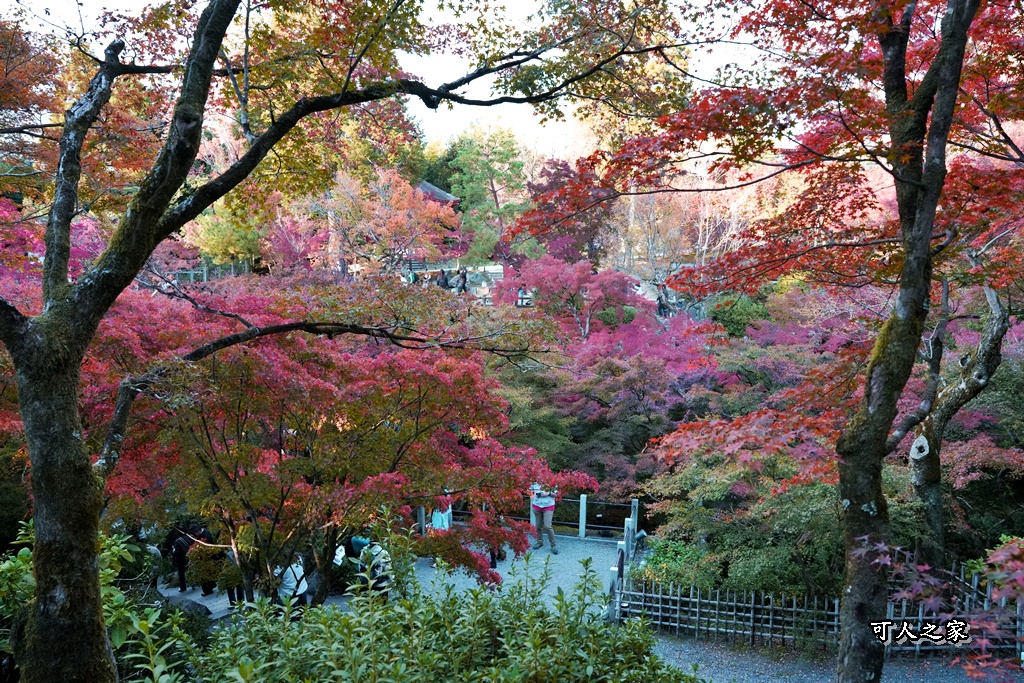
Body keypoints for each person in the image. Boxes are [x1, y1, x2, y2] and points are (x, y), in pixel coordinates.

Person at [529, 483, 558, 554]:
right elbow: (529, 493)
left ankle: (553, 545)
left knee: (548, 526)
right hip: (537, 506)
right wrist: (534, 494)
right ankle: (539, 542)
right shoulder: (534, 482)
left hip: (548, 506)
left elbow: (556, 494)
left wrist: (547, 494)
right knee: (538, 526)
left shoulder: (552, 481)